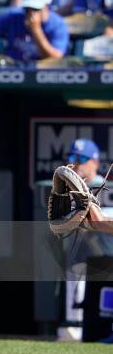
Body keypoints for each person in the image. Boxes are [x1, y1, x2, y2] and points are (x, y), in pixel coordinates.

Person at [60, 139, 113, 340]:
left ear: (95, 162)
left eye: (82, 158)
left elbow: (101, 223)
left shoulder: (107, 187)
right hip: (79, 261)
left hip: (106, 264)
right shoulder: (65, 190)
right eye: (72, 157)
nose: (76, 163)